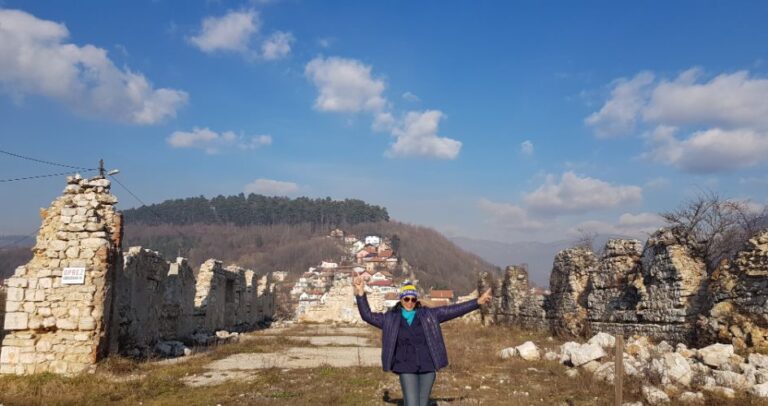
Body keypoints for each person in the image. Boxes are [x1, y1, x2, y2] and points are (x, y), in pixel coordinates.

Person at [353, 277, 492, 406]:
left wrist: (477, 303)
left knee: (422, 403)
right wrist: (360, 295)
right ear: (401, 300)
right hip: (405, 366)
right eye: (406, 299)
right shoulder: (391, 318)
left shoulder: (429, 315)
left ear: (416, 300)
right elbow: (368, 316)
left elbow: (452, 311)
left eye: (413, 300)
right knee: (412, 403)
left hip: (427, 365)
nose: (410, 303)